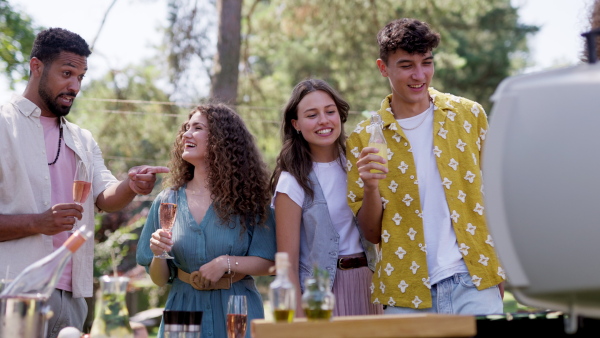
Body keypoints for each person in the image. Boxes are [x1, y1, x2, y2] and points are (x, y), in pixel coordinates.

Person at [0, 27, 168, 337]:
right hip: (13, 292)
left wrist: (131, 185)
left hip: (72, 296)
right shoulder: (3, 125)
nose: (74, 85)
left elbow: (106, 196)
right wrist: (38, 222)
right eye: (67, 73)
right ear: (36, 67)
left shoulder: (82, 139)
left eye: (80, 77)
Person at [346, 18, 505, 315]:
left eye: (427, 63)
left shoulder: (470, 116)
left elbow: (497, 197)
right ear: (383, 68)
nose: (419, 75)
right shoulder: (363, 138)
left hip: (474, 281)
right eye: (406, 65)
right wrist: (370, 186)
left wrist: (498, 268)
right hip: (405, 293)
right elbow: (371, 233)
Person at [137, 104, 276, 338]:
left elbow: (270, 262)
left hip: (237, 308)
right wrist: (158, 253)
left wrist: (226, 262)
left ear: (222, 140)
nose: (186, 134)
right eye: (186, 128)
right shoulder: (167, 201)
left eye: (197, 128)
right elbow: (159, 280)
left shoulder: (250, 199)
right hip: (182, 308)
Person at [270, 79, 382, 317]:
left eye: (330, 112)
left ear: (339, 116)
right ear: (296, 124)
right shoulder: (292, 182)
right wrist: (299, 322)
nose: (323, 120)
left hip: (368, 285)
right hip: (321, 294)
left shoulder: (358, 164)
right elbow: (286, 264)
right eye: (312, 115)